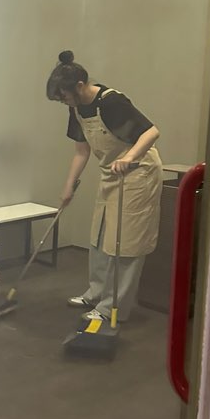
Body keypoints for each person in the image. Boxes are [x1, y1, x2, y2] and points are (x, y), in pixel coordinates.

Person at [46, 50, 163, 323]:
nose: (63, 102)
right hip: (111, 174)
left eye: (64, 96)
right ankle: (96, 293)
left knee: (126, 242)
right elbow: (81, 151)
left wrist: (130, 158)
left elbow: (151, 132)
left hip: (138, 173)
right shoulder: (77, 108)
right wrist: (68, 187)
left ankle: (111, 307)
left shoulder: (112, 102)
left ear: (79, 86)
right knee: (100, 237)